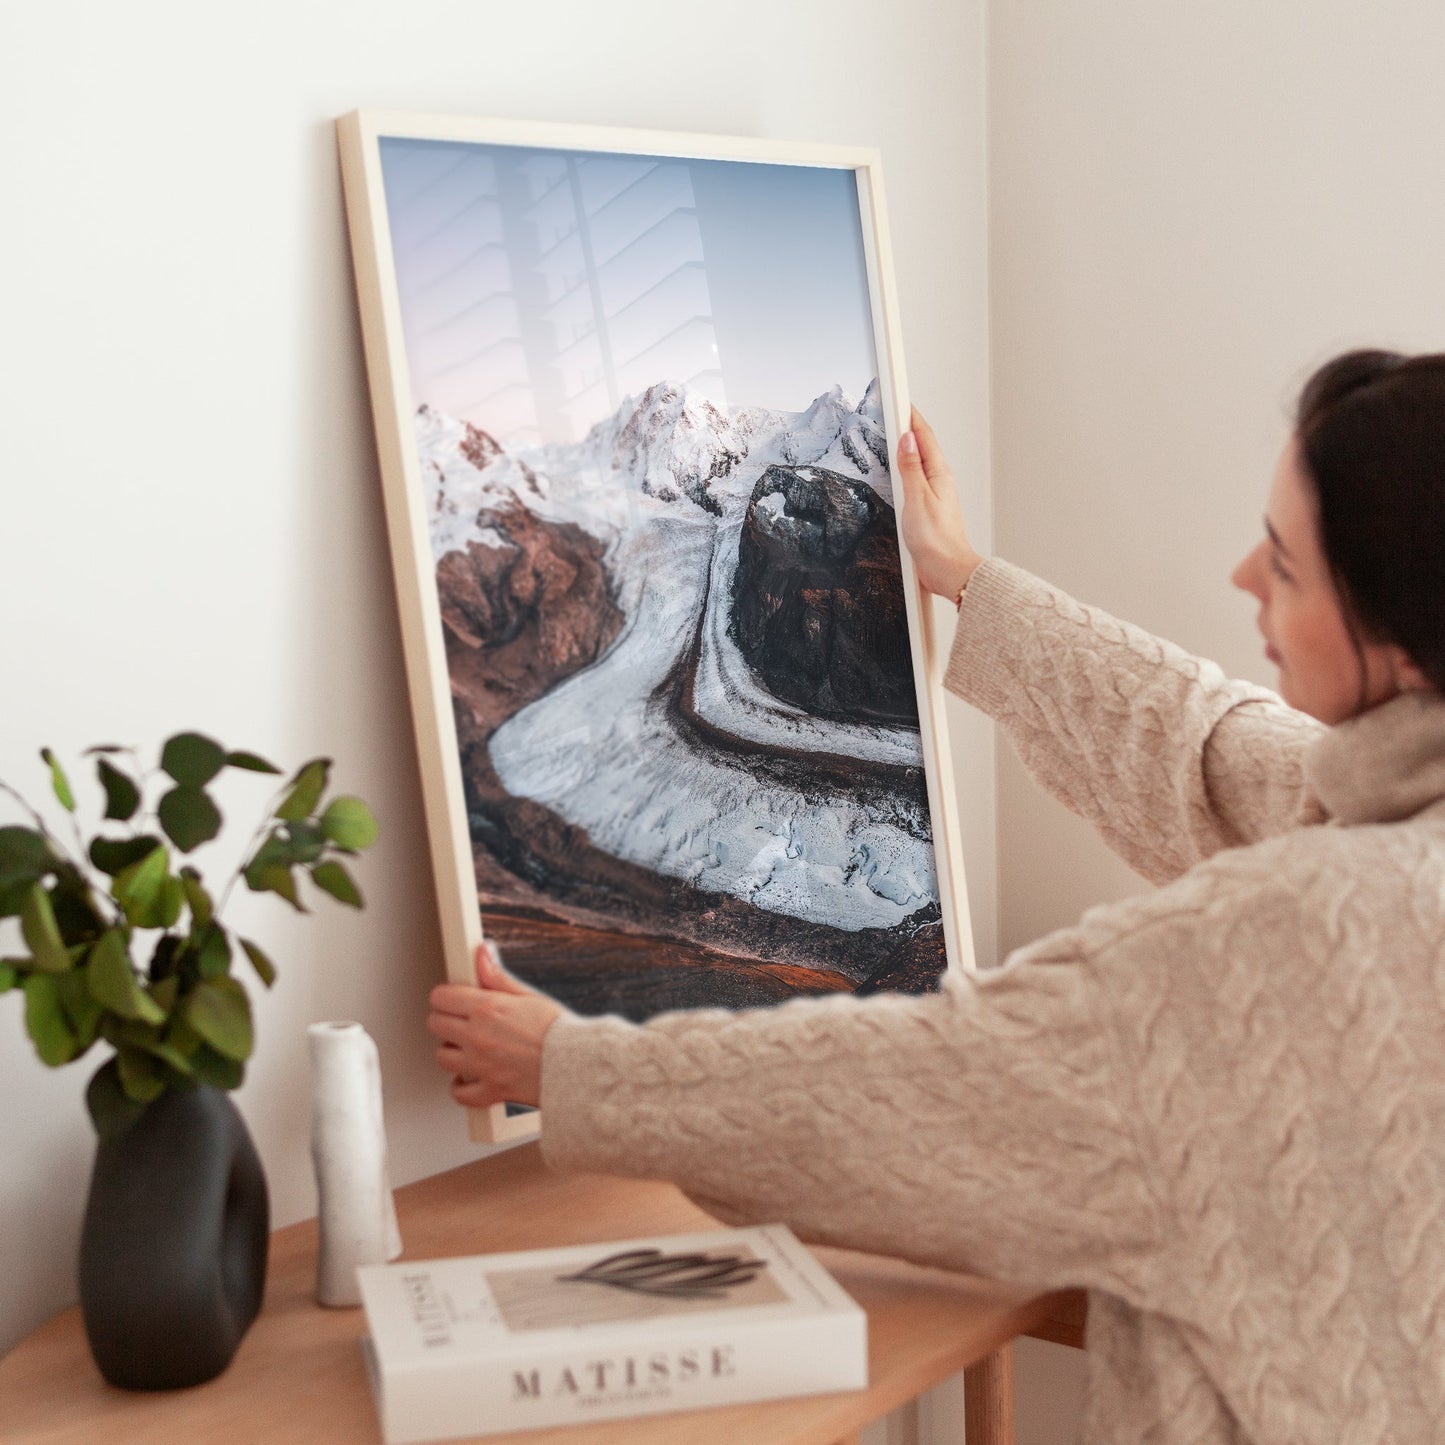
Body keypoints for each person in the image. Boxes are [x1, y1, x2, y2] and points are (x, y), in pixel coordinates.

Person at [427, 349, 1445, 1444]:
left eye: (1286, 566)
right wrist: (965, 578)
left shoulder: (1282, 941)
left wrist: (570, 1066)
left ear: (1395, 637)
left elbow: (928, 1088)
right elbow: (1206, 749)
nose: (1243, 574)